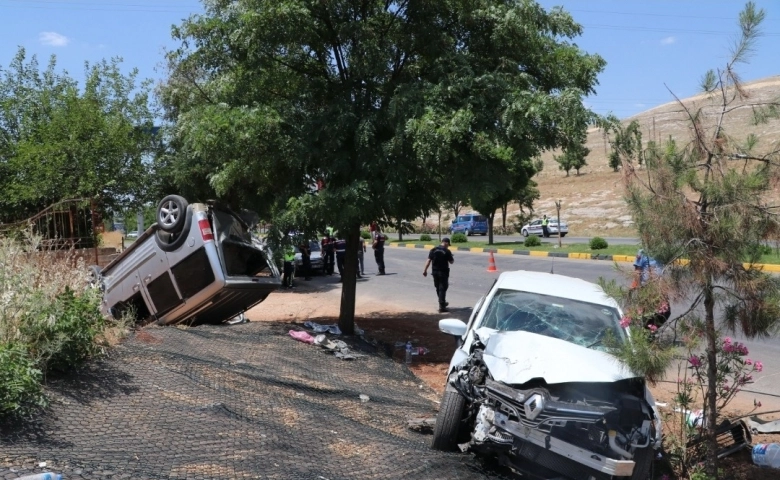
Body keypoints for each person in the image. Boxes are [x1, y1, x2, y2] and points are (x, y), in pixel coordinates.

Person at [423, 237, 455, 313]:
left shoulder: (433, 250)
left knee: (438, 287)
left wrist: (425, 270)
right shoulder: (447, 251)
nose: (448, 246)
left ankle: (442, 302)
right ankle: (442, 307)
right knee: (443, 288)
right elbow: (451, 262)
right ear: (446, 243)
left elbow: (428, 260)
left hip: (435, 272)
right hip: (443, 272)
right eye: (448, 244)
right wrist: (451, 257)